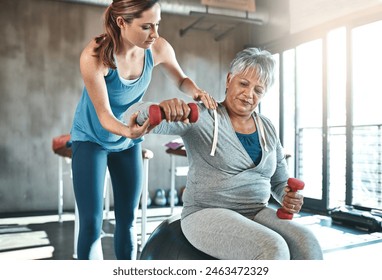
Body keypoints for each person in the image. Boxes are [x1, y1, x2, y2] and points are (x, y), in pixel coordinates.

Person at [131, 47, 323, 259]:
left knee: (308, 244)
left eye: (258, 90)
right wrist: (160, 109)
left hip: (256, 211)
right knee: (273, 249)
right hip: (206, 212)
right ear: (229, 80)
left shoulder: (267, 127)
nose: (249, 94)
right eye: (243, 83)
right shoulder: (203, 116)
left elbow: (279, 182)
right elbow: (135, 115)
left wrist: (288, 197)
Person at [70, 0, 216, 260]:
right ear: (121, 22)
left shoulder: (157, 48)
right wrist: (129, 132)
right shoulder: (95, 56)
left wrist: (196, 92)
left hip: (127, 142)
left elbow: (181, 79)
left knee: (127, 220)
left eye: (157, 25)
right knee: (91, 225)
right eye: (147, 26)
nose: (155, 34)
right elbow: (104, 116)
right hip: (92, 139)